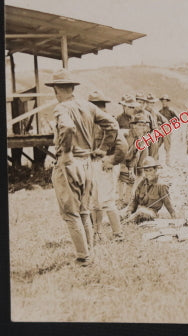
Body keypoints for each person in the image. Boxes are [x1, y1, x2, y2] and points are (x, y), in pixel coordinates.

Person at [45, 69, 118, 266]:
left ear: (56, 90)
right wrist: (102, 149)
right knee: (84, 210)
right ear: (72, 88)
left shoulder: (62, 108)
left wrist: (67, 153)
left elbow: (67, 128)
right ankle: (89, 252)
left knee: (70, 213)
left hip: (69, 164)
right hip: (87, 164)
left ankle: (83, 257)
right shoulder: (88, 106)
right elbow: (112, 125)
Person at [87, 90, 128, 242]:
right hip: (95, 165)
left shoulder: (109, 122)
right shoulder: (93, 122)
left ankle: (118, 234)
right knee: (95, 202)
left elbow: (123, 146)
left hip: (106, 165)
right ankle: (97, 233)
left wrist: (111, 160)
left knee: (107, 201)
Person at [121, 156, 178, 224]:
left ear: (155, 170)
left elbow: (168, 203)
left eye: (150, 170)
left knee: (141, 212)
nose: (148, 173)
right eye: (146, 170)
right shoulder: (141, 183)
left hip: (151, 212)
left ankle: (125, 223)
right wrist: (129, 210)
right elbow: (134, 200)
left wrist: (174, 217)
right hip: (137, 210)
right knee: (120, 214)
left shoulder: (161, 185)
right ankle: (121, 220)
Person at [118, 109, 150, 208]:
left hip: (131, 161)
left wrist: (132, 168)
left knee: (137, 175)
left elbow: (136, 155)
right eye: (140, 124)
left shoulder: (141, 139)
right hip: (119, 160)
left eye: (144, 125)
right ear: (133, 125)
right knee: (123, 175)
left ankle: (129, 199)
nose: (142, 127)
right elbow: (120, 152)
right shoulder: (125, 135)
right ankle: (120, 199)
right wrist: (126, 167)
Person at [158, 94, 177, 165]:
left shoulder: (171, 111)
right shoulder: (159, 112)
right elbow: (157, 120)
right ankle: (156, 160)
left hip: (167, 130)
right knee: (157, 145)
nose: (164, 103)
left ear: (168, 102)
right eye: (162, 102)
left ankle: (167, 161)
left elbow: (177, 119)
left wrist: (170, 124)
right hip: (160, 130)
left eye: (165, 101)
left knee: (167, 146)